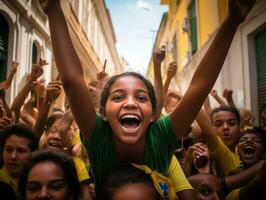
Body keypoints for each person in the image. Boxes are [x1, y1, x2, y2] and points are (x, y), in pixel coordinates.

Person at [38, 0, 256, 197]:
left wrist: (232, 21)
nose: (131, 102)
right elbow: (73, 82)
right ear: (102, 113)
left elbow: (198, 88)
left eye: (141, 98)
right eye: (118, 97)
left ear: (153, 113)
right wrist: (54, 10)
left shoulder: (160, 137)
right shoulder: (98, 135)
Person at [0, 124, 38, 199]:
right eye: (9, 150)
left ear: (33, 154)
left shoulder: (40, 184)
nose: (13, 156)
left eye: (21, 151)